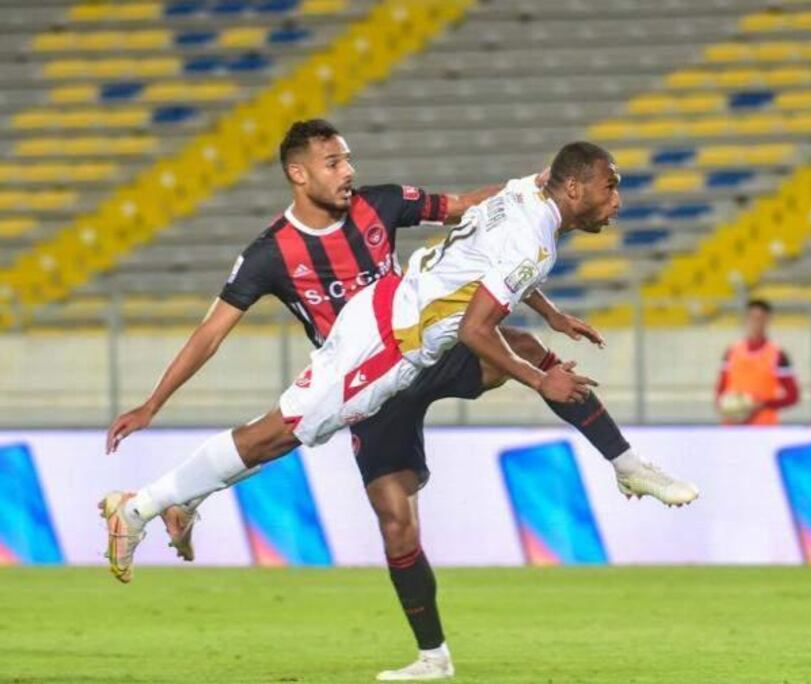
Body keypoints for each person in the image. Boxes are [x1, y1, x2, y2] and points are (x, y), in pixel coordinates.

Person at [100, 141, 699, 680]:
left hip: (390, 313)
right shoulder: (534, 240)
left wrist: (550, 317)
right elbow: (475, 328)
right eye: (610, 187)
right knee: (273, 437)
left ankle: (626, 465)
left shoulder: (527, 193)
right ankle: (141, 506)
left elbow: (494, 253)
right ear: (572, 188)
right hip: (387, 348)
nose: (617, 200)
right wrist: (540, 381)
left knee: (530, 351)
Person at [714, 299, 800, 425]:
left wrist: (763, 404)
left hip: (763, 427)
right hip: (733, 426)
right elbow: (720, 388)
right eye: (752, 318)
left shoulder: (778, 354)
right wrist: (727, 406)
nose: (756, 323)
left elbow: (793, 396)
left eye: (760, 318)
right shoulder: (731, 352)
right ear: (746, 319)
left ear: (768, 320)